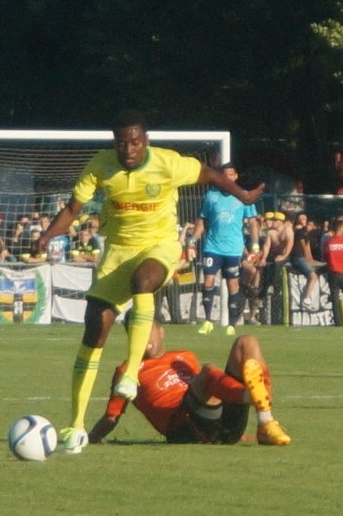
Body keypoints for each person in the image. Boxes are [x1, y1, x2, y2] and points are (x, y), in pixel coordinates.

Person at [34, 113, 260, 449]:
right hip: (117, 253)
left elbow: (210, 174)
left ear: (146, 141)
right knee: (95, 329)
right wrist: (47, 236)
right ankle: (75, 426)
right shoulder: (100, 166)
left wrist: (244, 197)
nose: (128, 149)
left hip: (159, 247)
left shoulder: (167, 163)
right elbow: (72, 208)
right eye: (121, 143)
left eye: (135, 142)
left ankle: (130, 375)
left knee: (143, 280)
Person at [89, 321, 291, 446]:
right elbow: (112, 415)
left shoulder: (185, 356)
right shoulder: (127, 370)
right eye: (134, 333)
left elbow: (212, 390)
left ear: (161, 331)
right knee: (208, 372)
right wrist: (90, 438)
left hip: (215, 419)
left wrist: (241, 435)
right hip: (182, 427)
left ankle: (265, 423)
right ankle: (252, 396)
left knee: (247, 342)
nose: (142, 337)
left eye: (147, 329)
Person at [193, 161, 259, 335]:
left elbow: (253, 223)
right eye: (225, 175)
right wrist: (193, 240)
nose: (228, 178)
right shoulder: (211, 196)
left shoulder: (244, 197)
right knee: (208, 280)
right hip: (212, 246)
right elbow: (202, 220)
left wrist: (255, 245)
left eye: (231, 174)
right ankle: (208, 321)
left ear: (235, 176)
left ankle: (231, 324)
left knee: (232, 284)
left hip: (233, 249)